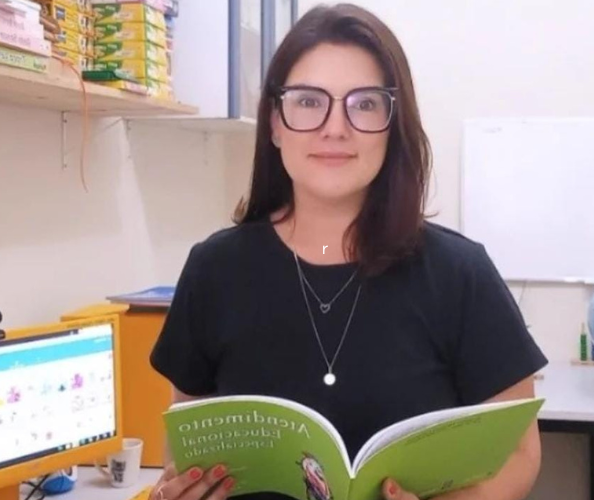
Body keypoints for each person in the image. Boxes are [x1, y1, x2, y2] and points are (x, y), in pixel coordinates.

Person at [148, 4, 548, 500]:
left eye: (363, 104)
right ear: (275, 123)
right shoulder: (214, 270)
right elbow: (184, 451)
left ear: (392, 125)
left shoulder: (459, 273)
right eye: (308, 101)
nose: (335, 127)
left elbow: (519, 454)